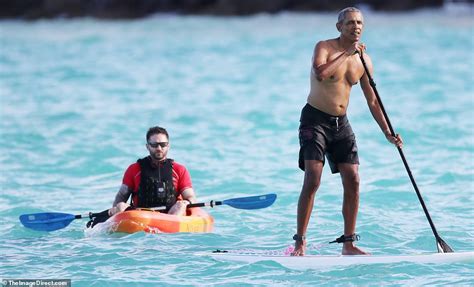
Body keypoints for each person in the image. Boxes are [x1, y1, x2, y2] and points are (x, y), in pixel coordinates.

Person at [292, 7, 403, 256]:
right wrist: (346, 53)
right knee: (313, 178)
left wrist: (387, 132)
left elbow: (372, 100)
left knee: (353, 179)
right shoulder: (324, 46)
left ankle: (348, 244)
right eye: (351, 22)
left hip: (341, 124)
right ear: (339, 26)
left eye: (360, 23)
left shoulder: (363, 60)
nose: (356, 27)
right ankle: (300, 242)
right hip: (314, 120)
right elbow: (321, 74)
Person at [87, 126, 196, 228]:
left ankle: (170, 233)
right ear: (147, 146)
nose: (159, 148)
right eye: (154, 145)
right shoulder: (134, 169)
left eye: (163, 144)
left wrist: (187, 202)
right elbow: (121, 196)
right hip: (141, 215)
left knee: (181, 205)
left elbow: (190, 196)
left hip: (170, 215)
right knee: (120, 206)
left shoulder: (179, 170)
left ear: (168, 145)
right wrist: (115, 210)